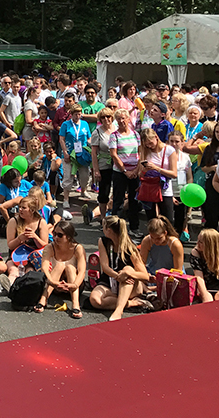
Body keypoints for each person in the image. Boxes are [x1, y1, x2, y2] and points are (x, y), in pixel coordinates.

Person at [88, 216, 152, 321]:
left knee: (127, 269)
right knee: (95, 300)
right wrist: (117, 276)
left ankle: (119, 310)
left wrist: (127, 274)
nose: (102, 229)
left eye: (103, 226)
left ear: (108, 230)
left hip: (129, 284)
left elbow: (145, 276)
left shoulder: (130, 248)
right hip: (110, 280)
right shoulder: (103, 241)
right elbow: (105, 266)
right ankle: (131, 303)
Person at [37, 221, 87, 318]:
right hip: (54, 285)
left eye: (60, 235)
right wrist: (53, 282)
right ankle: (43, 299)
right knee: (59, 265)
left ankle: (75, 304)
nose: (55, 238)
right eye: (54, 234)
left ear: (68, 236)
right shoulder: (50, 247)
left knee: (69, 267)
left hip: (75, 285)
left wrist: (74, 285)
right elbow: (44, 268)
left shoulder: (78, 248)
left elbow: (82, 271)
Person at [109, 109, 142, 237]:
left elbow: (141, 153)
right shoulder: (114, 135)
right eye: (119, 119)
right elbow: (114, 154)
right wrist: (125, 171)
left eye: (124, 118)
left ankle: (134, 227)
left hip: (135, 171)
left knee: (134, 201)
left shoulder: (135, 134)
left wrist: (135, 170)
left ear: (128, 119)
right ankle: (116, 228)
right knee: (118, 200)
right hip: (120, 172)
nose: (122, 121)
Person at [5, 190, 49, 284]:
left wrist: (35, 237)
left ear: (32, 210)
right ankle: (9, 287)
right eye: (19, 207)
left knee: (29, 273)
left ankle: (24, 289)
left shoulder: (41, 222)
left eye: (23, 208)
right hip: (15, 257)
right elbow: (10, 245)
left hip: (32, 258)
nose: (20, 210)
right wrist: (19, 239)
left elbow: (45, 245)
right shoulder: (13, 221)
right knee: (14, 271)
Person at [190, 228, 219, 301]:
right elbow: (199, 277)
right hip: (203, 285)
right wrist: (205, 294)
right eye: (198, 240)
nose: (197, 243)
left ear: (209, 244)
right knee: (208, 299)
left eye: (201, 242)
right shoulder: (196, 253)